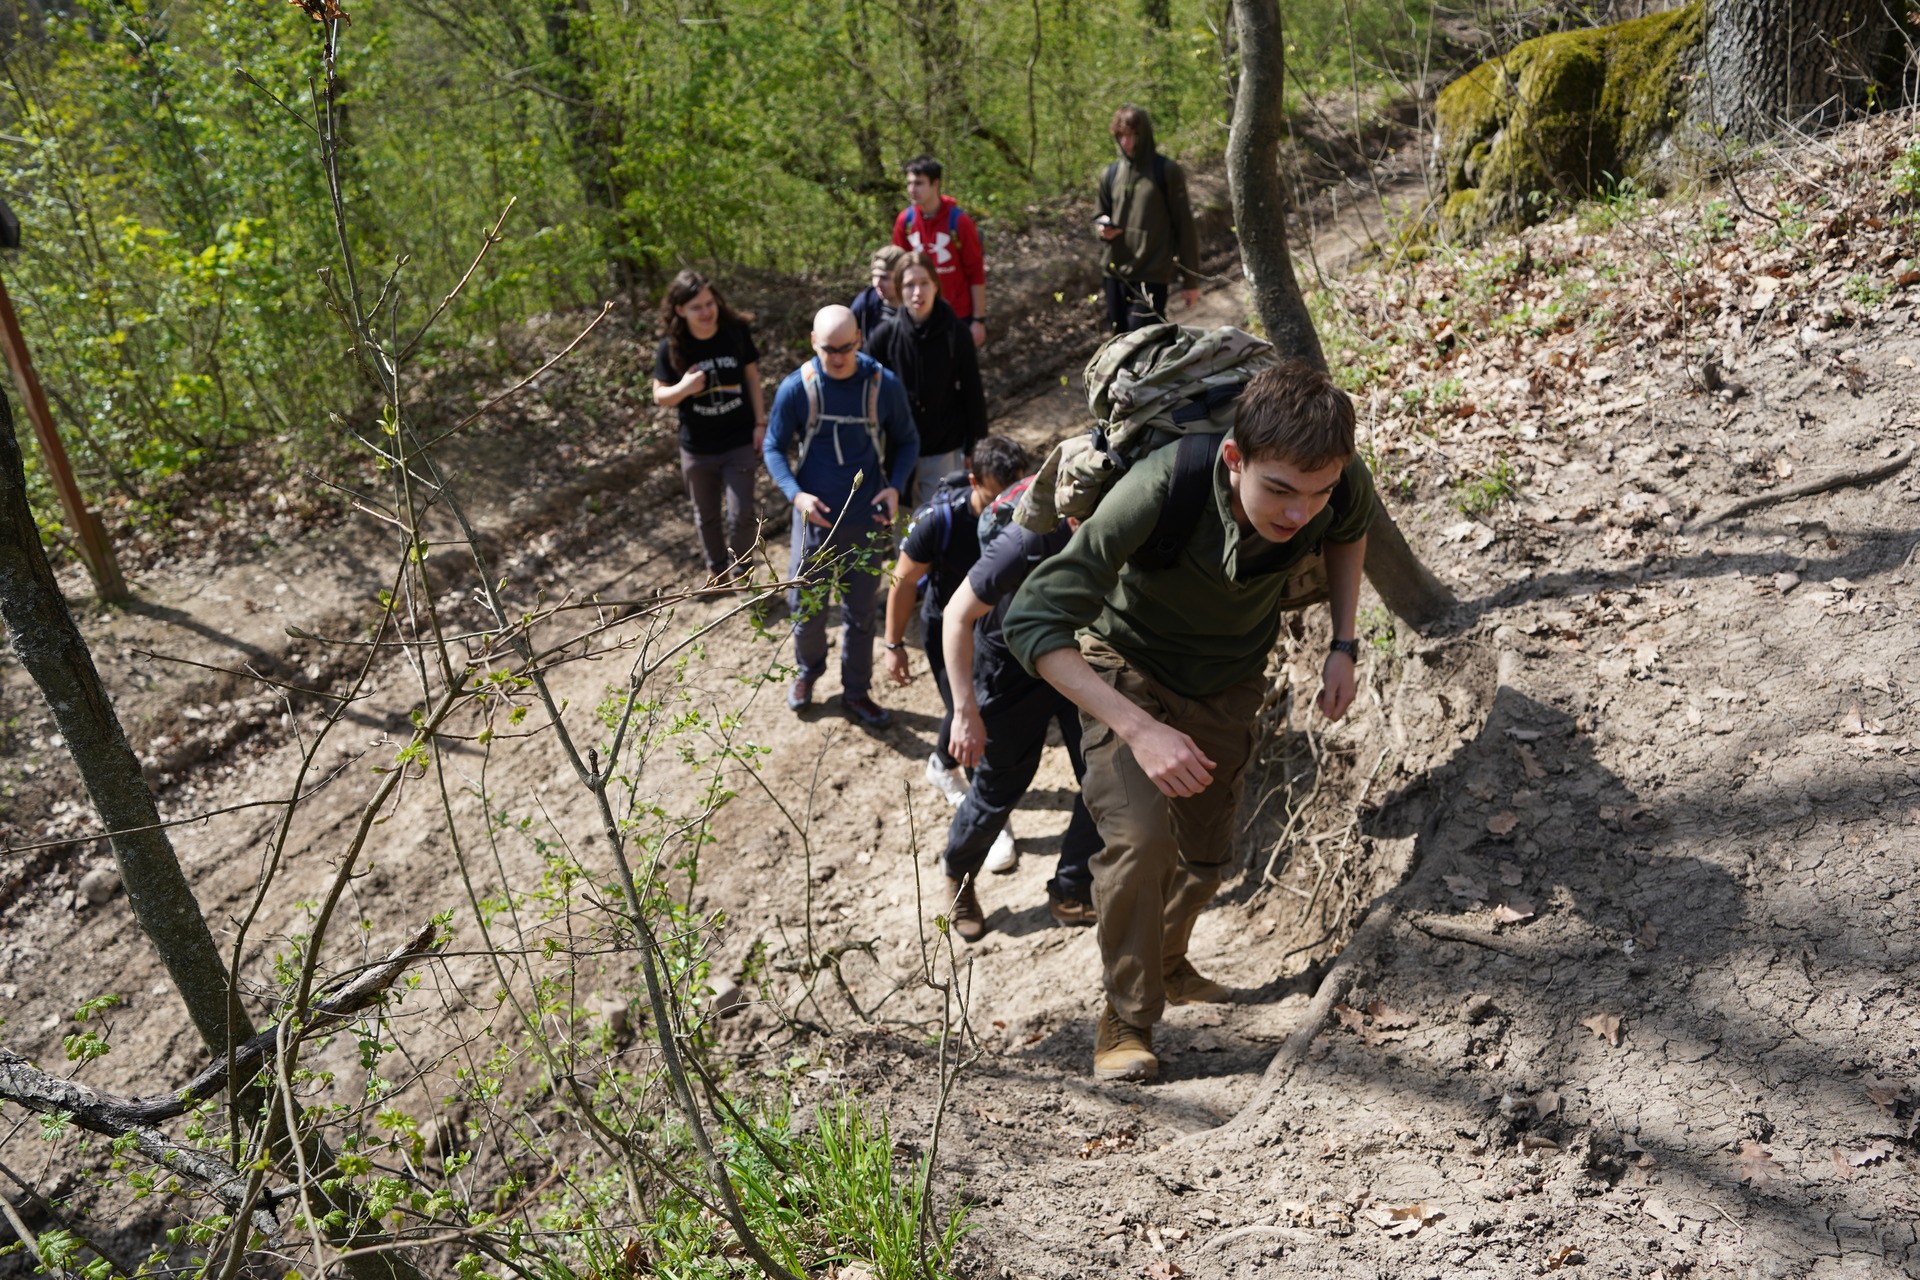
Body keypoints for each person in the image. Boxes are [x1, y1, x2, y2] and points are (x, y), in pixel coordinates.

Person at [1002, 361, 1376, 1082]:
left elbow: (1349, 530)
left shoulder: (1337, 484)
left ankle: (1169, 963)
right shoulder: (1158, 489)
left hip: (1229, 681)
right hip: (1125, 669)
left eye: (1317, 493)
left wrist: (1343, 643)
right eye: (1279, 491)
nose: (1299, 513)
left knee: (1205, 855)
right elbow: (1032, 622)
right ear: (1236, 459)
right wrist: (1140, 729)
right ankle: (1127, 1022)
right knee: (1140, 840)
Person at [939, 509, 1100, 939]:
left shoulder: (1125, 524)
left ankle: (1071, 888)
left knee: (1102, 777)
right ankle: (959, 879)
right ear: (1072, 518)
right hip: (1009, 668)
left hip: (1075, 655)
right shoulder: (1024, 541)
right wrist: (963, 710)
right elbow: (957, 614)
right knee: (998, 789)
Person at [763, 306, 919, 729]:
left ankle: (856, 691)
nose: (837, 357)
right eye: (829, 349)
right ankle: (807, 673)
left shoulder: (881, 385)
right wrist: (796, 496)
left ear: (860, 340)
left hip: (866, 522)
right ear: (813, 341)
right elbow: (773, 447)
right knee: (806, 608)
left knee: (861, 612)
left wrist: (895, 487)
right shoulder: (798, 389)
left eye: (846, 348)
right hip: (814, 522)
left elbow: (907, 440)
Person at [881, 436, 1027, 832]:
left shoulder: (1024, 508)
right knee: (969, 711)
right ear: (975, 479)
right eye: (999, 495)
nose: (1008, 506)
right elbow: (902, 581)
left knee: (971, 703)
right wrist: (894, 645)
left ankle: (942, 764)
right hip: (948, 625)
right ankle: (986, 820)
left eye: (1016, 490)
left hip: (995, 625)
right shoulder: (939, 520)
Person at [652, 270, 766, 584]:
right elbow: (660, 396)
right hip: (697, 448)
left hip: (738, 439)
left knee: (741, 514)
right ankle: (717, 571)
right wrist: (685, 387)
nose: (706, 312)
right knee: (707, 516)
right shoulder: (673, 345)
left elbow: (753, 378)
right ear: (680, 310)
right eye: (696, 307)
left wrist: (760, 422)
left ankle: (743, 574)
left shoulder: (735, 332)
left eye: (709, 303)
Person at [868, 251, 988, 506]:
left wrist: (976, 445)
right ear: (899, 290)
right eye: (910, 285)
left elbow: (972, 391)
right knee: (904, 534)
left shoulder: (956, 333)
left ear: (935, 285)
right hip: (898, 453)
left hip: (944, 447)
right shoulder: (885, 336)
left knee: (941, 528)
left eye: (924, 283)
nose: (917, 292)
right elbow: (867, 392)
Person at [1096, 105, 1201, 334]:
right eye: (1121, 136)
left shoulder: (1166, 171)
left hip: (1152, 272)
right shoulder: (1110, 174)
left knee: (1145, 345)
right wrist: (1102, 228)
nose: (1126, 143)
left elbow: (1185, 226)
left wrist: (1190, 281)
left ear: (1144, 135)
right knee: (1119, 346)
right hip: (1114, 272)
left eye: (1132, 135)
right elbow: (1099, 214)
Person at [891, 155, 987, 348]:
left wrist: (978, 320)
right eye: (909, 183)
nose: (912, 189)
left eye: (919, 183)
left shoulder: (960, 222)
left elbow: (976, 272)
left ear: (935, 184)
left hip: (958, 315)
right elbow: (898, 272)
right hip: (920, 315)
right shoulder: (906, 221)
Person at [851, 245, 906, 343]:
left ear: (902, 277)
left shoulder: (917, 304)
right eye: (875, 276)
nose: (877, 283)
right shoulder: (866, 301)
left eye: (885, 278)